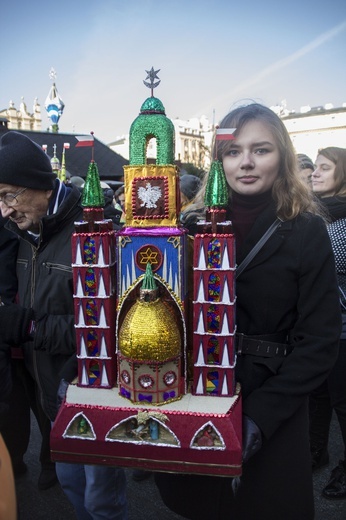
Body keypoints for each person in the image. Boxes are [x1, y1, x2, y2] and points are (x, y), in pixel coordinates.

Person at [154, 103, 341, 520]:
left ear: (283, 157)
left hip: (272, 397)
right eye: (233, 152)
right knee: (203, 505)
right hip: (198, 392)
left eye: (262, 149)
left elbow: (320, 340)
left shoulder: (306, 227)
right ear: (218, 161)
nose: (247, 163)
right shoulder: (187, 225)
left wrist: (261, 416)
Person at [0, 131, 128, 519]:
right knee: (73, 488)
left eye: (8, 195)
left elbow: (118, 332)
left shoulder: (98, 231)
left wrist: (30, 327)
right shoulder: (22, 232)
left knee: (101, 500)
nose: (4, 210)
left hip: (94, 394)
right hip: (53, 396)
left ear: (39, 184)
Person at [309, 146, 346, 499]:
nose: (315, 173)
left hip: (343, 327)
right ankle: (315, 452)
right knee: (317, 392)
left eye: (324, 167)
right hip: (317, 324)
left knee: (343, 402)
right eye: (315, 167)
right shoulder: (317, 215)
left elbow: (328, 265)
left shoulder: (343, 220)